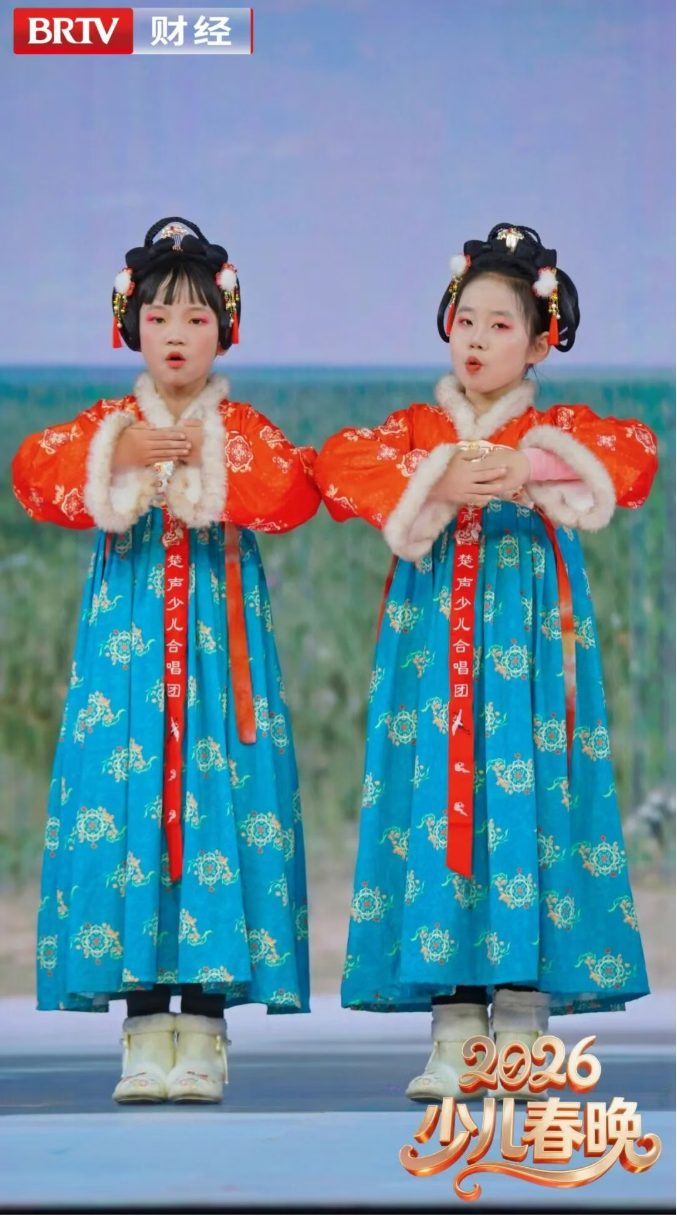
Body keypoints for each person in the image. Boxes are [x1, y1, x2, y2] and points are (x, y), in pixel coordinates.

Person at [314, 223, 658, 1101]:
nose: (475, 338)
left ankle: (520, 1027)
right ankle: (454, 1028)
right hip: (435, 652)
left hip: (530, 650)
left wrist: (526, 464)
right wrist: (435, 477)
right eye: (465, 319)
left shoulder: (555, 428)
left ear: (540, 343)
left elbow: (633, 456)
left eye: (500, 325)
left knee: (529, 800)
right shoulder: (420, 427)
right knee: (439, 798)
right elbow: (338, 465)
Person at [12, 217, 319, 1104]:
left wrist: (207, 455)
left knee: (217, 801)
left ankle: (206, 1029)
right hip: (130, 658)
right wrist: (120, 454)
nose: (175, 334)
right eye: (156, 318)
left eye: (194, 318)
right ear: (130, 327)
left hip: (221, 658)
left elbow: (293, 491)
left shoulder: (240, 425)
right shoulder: (109, 425)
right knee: (129, 803)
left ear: (225, 329)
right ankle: (144, 1029)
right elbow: (34, 474)